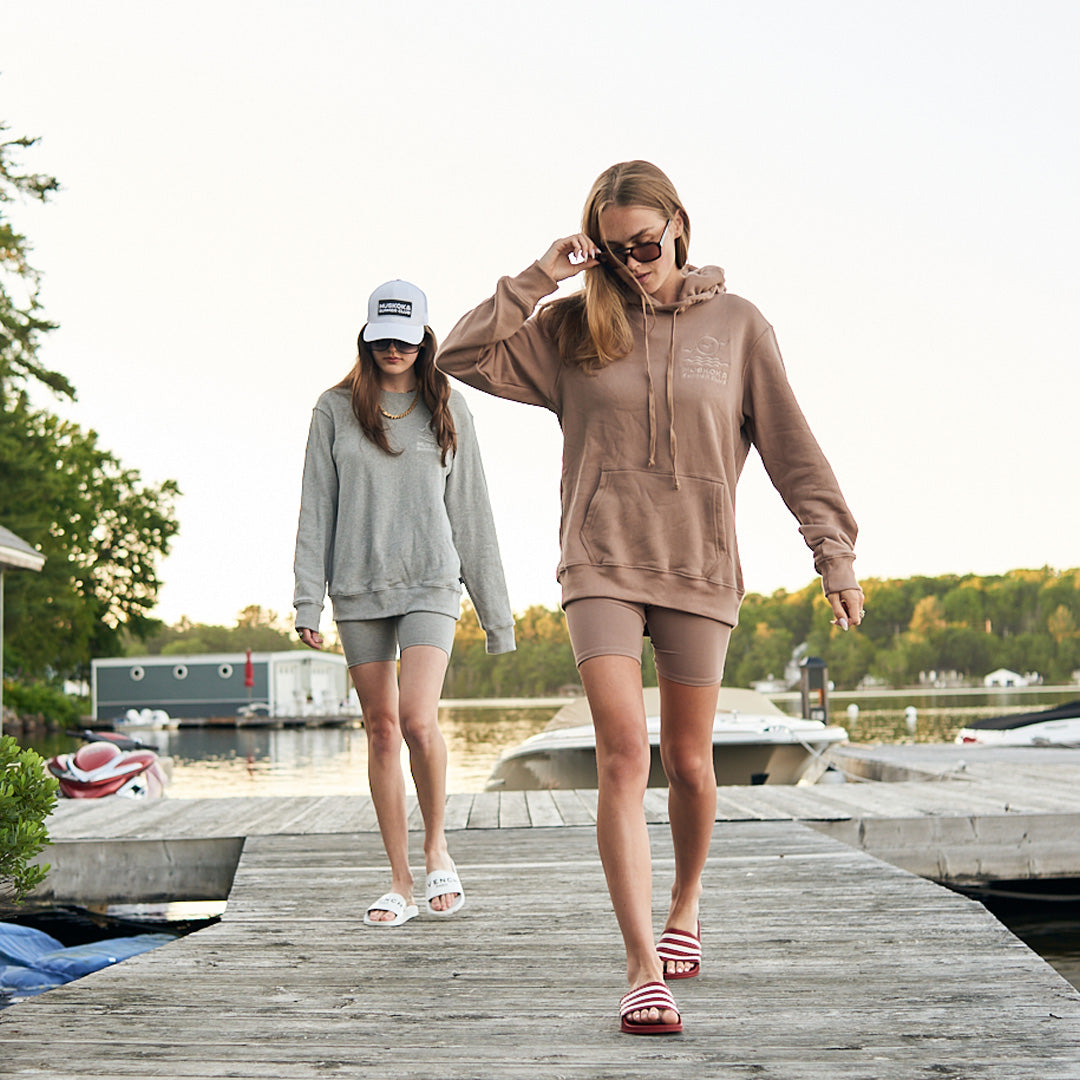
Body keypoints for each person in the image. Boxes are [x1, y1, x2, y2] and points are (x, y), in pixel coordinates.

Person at [437, 161, 864, 1034]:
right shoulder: (569, 326)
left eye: (647, 242)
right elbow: (461, 354)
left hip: (699, 565)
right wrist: (543, 275)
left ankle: (686, 905)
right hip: (599, 561)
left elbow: (792, 448)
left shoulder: (739, 327)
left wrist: (834, 553)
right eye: (616, 247)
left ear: (679, 225)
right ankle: (640, 967)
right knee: (624, 755)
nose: (636, 261)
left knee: (691, 764)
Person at [294, 279, 515, 927]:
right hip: (358, 588)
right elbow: (316, 509)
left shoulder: (449, 406)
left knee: (418, 720)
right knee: (382, 729)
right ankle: (398, 880)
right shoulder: (333, 409)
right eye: (382, 337)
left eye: (406, 337)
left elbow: (473, 515)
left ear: (425, 338)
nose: (394, 348)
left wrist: (495, 616)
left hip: (429, 582)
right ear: (366, 337)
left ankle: (436, 848)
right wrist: (308, 599)